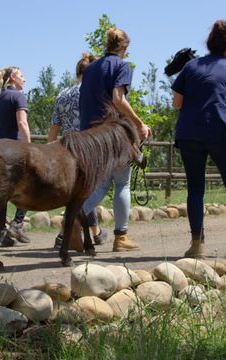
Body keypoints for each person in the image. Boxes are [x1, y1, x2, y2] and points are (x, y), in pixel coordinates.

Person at [171, 20, 226, 258]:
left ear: (209, 44)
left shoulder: (191, 67)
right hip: (221, 132)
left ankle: (197, 245)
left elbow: (177, 102)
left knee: (195, 189)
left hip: (189, 133)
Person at [79, 27, 152, 252]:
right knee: (121, 183)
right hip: (112, 135)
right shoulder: (122, 66)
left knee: (98, 183)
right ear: (124, 47)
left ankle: (73, 220)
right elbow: (118, 99)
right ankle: (120, 237)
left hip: (90, 136)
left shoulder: (90, 69)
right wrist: (139, 124)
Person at [47, 52, 108, 249]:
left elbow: (54, 127)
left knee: (80, 192)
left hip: (65, 149)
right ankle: (65, 229)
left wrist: (49, 150)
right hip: (87, 148)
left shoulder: (63, 94)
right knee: (86, 190)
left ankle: (95, 233)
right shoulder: (93, 91)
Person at [0, 66, 31, 247]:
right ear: (13, 77)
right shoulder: (19, 96)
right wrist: (29, 147)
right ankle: (17, 222)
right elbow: (22, 122)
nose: (25, 79)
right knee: (29, 184)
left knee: (1, 192)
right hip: (14, 149)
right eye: (22, 76)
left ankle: (1, 233)